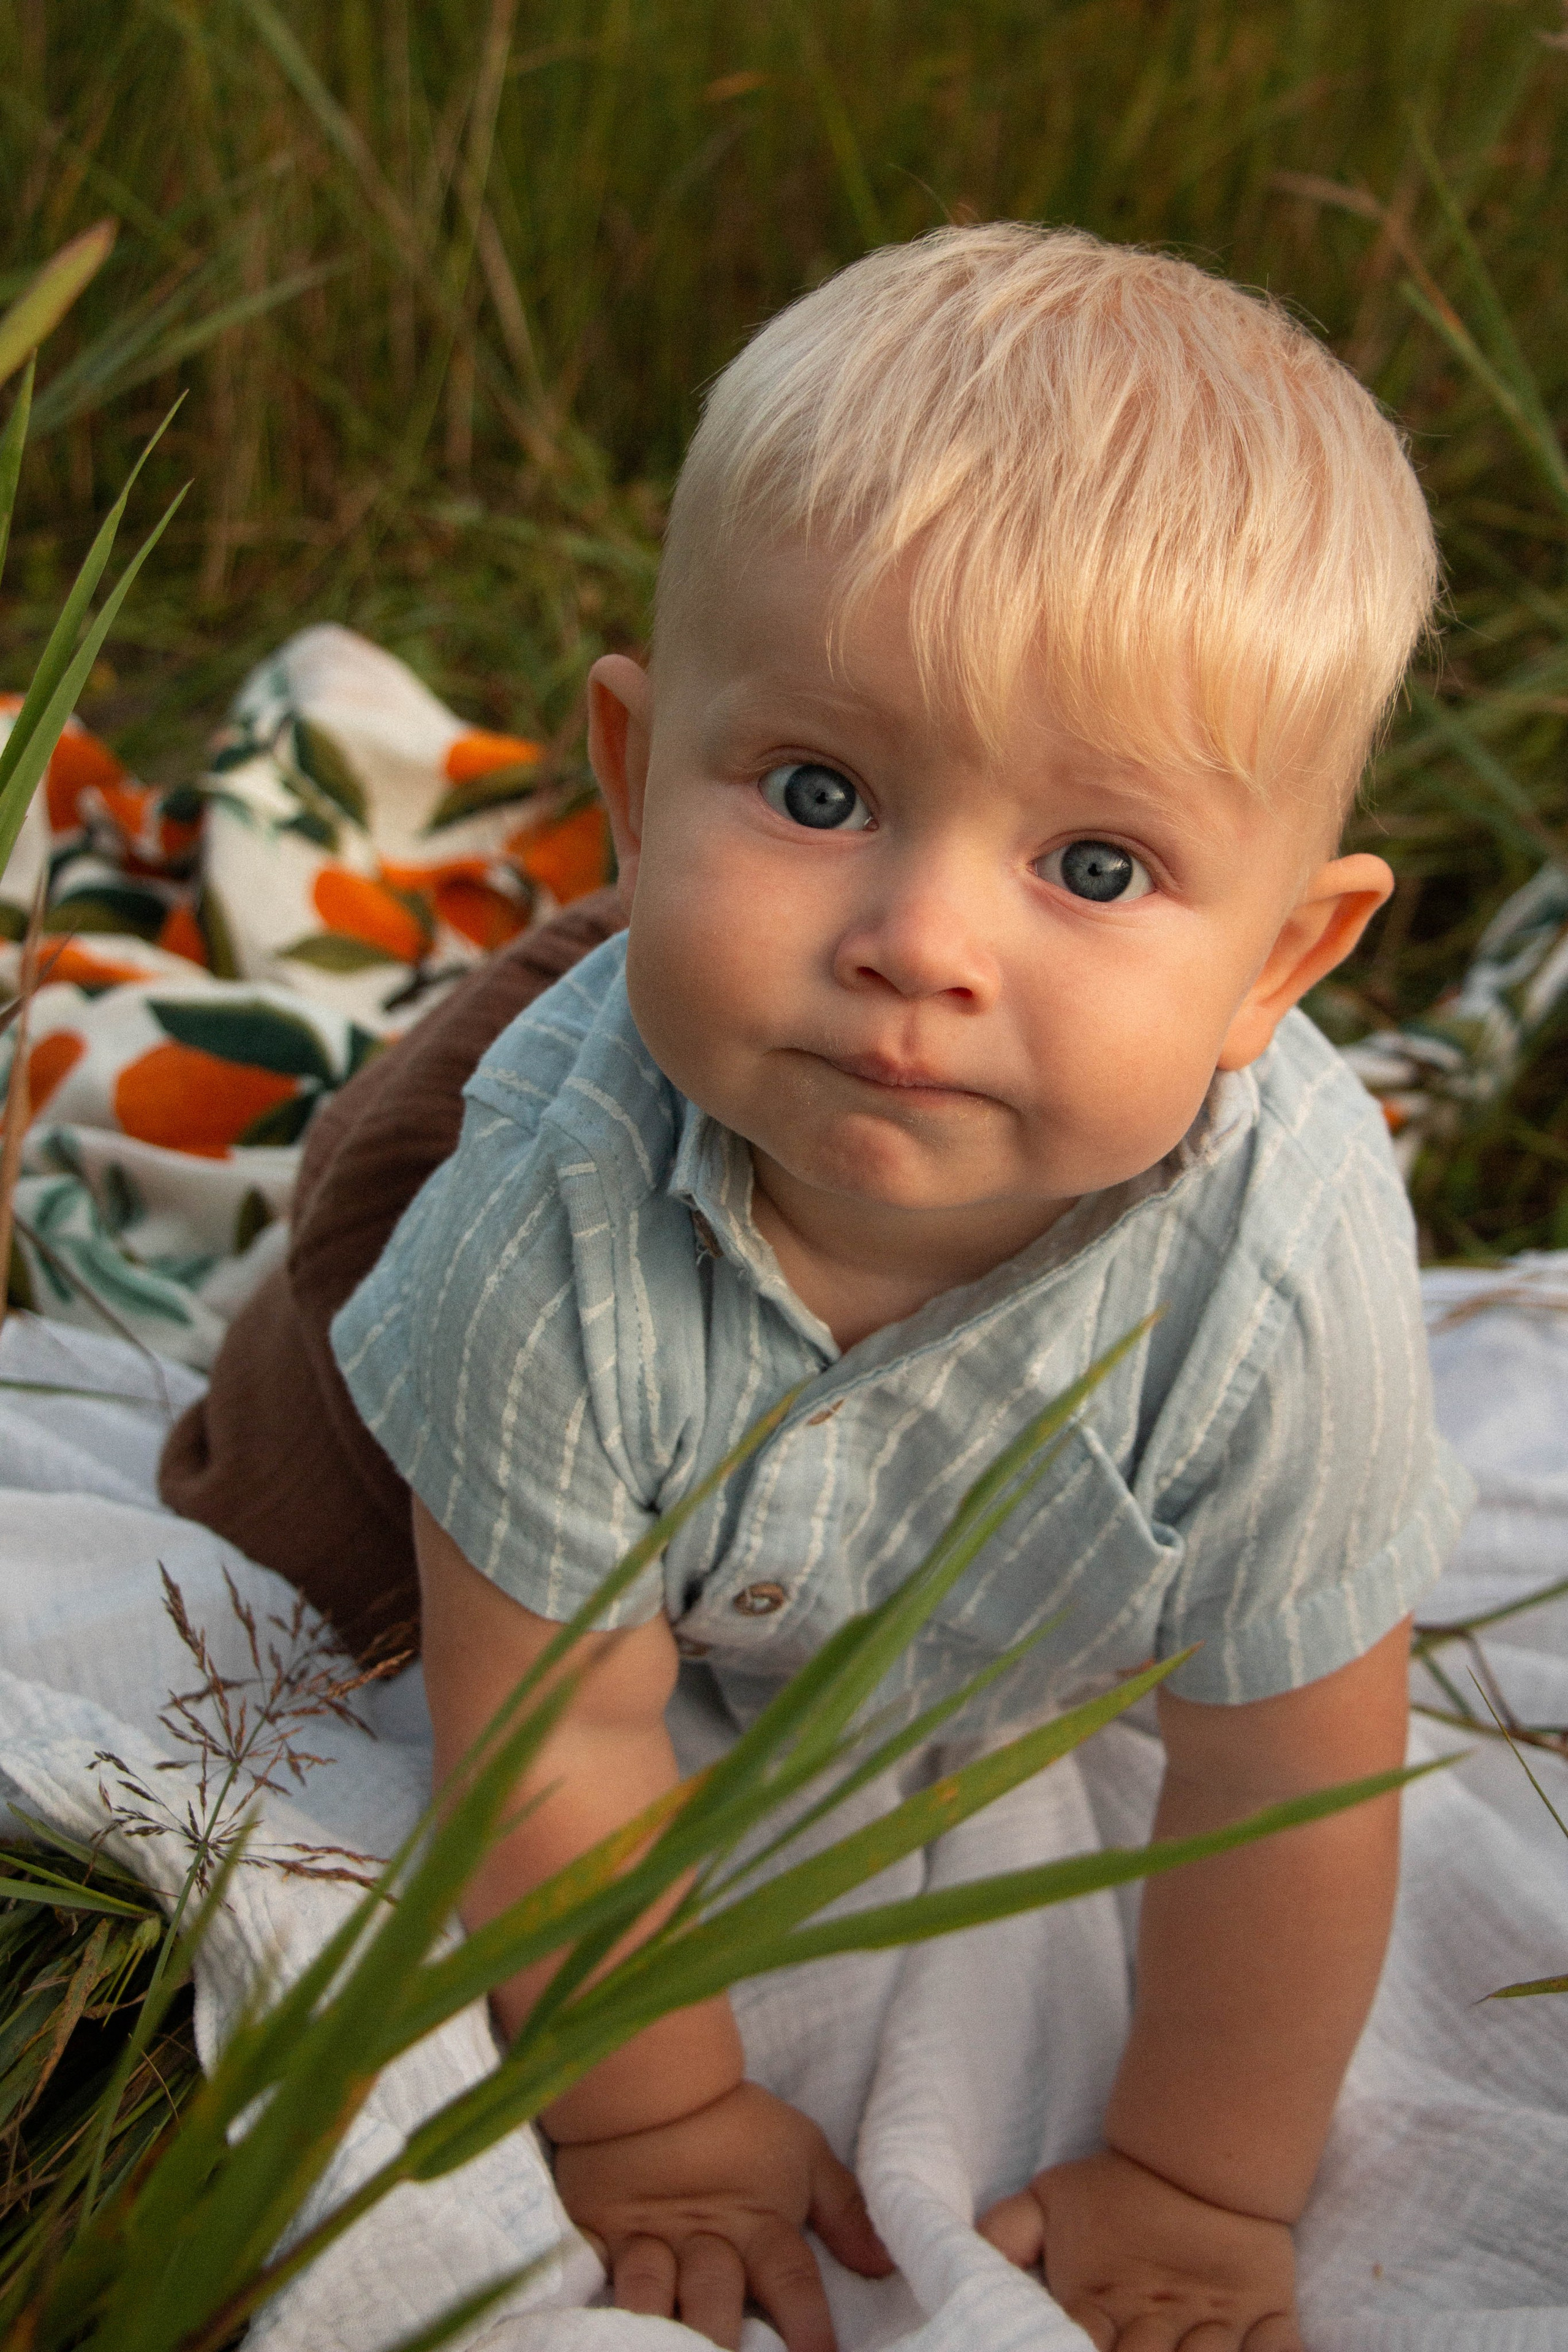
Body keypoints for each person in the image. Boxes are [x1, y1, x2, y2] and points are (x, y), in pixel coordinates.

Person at [330, 223, 1471, 2352]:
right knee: (307, 1477)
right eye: (821, 793)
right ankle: (434, 1063)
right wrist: (654, 2120)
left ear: (1282, 969)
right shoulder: (555, 1216)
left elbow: (1287, 1782)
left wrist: (1202, 2185)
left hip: (1008, 1526)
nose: (919, 941)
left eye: (1097, 867)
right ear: (629, 777)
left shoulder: (1281, 1280)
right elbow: (553, 1722)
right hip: (540, 1160)